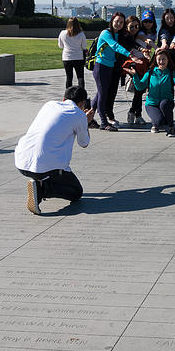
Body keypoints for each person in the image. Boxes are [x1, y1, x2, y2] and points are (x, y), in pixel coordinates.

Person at [15, 85, 93, 215]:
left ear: (64, 98)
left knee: (47, 170)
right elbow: (84, 143)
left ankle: (40, 182)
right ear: (82, 103)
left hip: (21, 161)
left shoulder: (49, 104)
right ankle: (42, 189)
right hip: (46, 166)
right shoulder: (79, 114)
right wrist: (86, 122)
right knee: (76, 192)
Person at [91, 12, 135, 131]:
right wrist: (129, 55)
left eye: (121, 22)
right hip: (101, 67)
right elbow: (114, 46)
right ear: (112, 21)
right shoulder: (106, 33)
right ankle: (103, 123)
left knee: (100, 94)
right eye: (117, 21)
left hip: (109, 67)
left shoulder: (117, 34)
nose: (119, 24)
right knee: (103, 94)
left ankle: (87, 118)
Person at [131, 48, 175, 137]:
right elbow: (140, 87)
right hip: (152, 104)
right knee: (159, 121)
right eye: (159, 59)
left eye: (164, 59)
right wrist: (135, 75)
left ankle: (171, 127)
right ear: (155, 60)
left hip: (167, 102)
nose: (161, 61)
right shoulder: (150, 72)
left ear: (168, 60)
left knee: (164, 104)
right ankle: (157, 123)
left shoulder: (171, 72)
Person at [57, 17, 87, 90]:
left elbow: (60, 46)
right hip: (78, 57)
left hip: (67, 57)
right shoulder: (81, 34)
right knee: (80, 77)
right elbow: (84, 47)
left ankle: (68, 95)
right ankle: (81, 95)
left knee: (69, 77)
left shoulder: (62, 33)